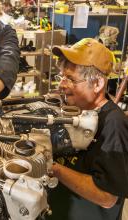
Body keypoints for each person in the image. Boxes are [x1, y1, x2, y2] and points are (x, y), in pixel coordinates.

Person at [47, 38, 128, 220]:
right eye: (62, 77)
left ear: (98, 84)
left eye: (70, 79)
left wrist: (53, 169)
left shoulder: (114, 124)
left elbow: (107, 197)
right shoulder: (79, 112)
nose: (62, 85)